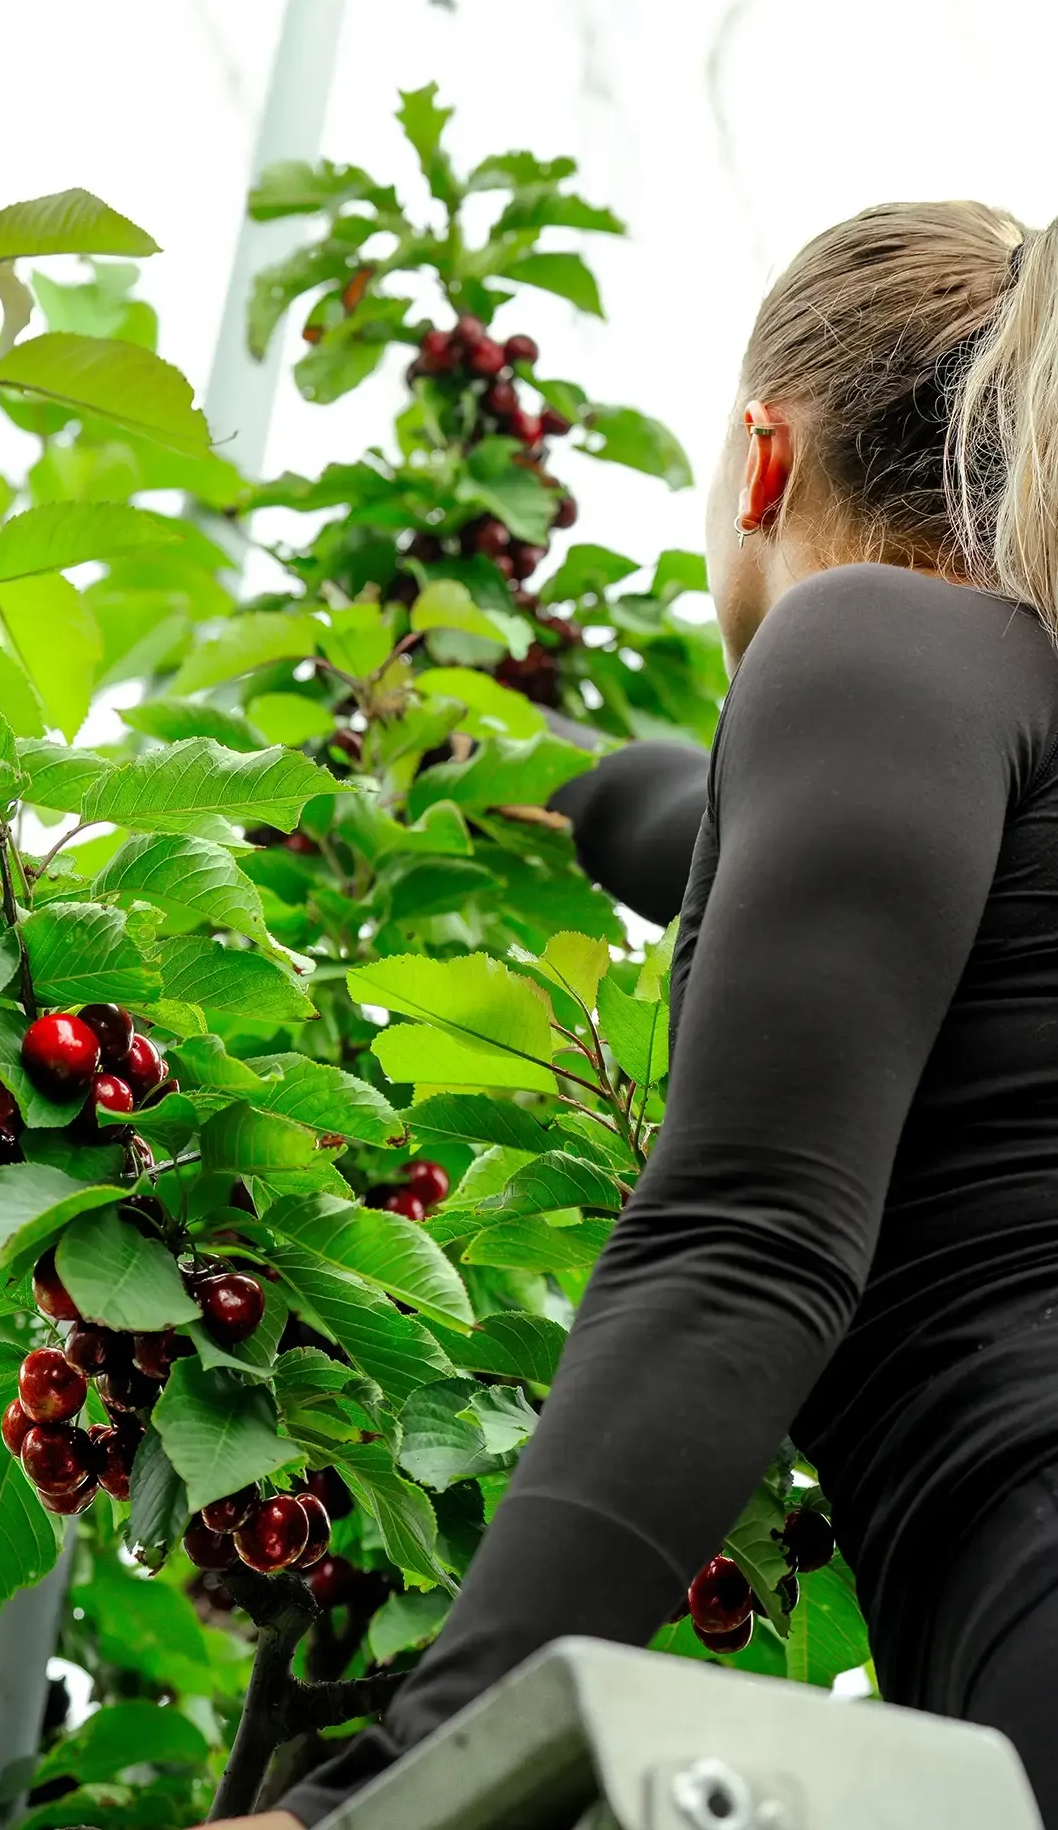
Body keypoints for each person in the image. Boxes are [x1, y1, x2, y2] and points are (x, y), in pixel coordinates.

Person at [209, 200, 1058, 1829]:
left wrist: (386, 1793)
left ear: (760, 459)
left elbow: (748, 1240)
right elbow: (688, 834)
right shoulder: (1008, 726)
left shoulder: (873, 644)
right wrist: (532, 777)